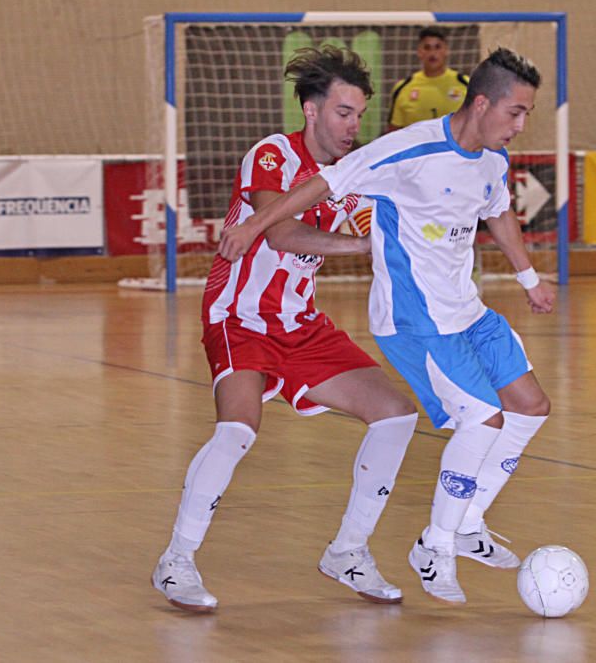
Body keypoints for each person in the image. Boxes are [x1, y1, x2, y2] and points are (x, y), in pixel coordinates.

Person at [219, 48, 554, 605]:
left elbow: (497, 212)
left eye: (527, 115)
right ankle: (436, 546)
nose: (521, 126)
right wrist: (256, 223)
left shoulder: (492, 160)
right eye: (515, 113)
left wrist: (528, 279)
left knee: (530, 406)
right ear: (482, 103)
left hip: (466, 309)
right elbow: (326, 183)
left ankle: (467, 523)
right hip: (413, 317)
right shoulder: (409, 148)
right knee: (483, 421)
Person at [152, 46, 419, 613]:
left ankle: (348, 551)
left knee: (396, 414)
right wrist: (363, 245)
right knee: (237, 431)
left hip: (301, 323)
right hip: (239, 316)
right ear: (311, 110)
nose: (354, 125)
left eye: (359, 114)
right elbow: (281, 234)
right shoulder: (273, 154)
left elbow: (385, 214)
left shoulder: (353, 175)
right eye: (344, 112)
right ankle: (176, 560)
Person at [387, 27, 468, 132]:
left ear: (446, 51)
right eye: (427, 47)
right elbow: (394, 129)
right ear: (419, 52)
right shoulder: (403, 87)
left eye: (437, 47)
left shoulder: (465, 84)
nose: (432, 53)